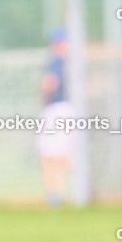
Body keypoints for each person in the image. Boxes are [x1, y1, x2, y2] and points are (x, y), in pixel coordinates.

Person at [39, 28, 76, 207]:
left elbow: (48, 84)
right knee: (62, 154)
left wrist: (44, 102)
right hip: (69, 110)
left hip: (56, 110)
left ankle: (56, 194)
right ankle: (61, 192)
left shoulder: (57, 62)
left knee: (50, 155)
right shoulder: (72, 63)